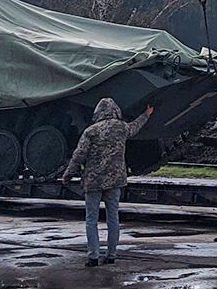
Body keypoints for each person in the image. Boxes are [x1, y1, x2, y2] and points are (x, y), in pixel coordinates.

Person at [63, 98, 154, 265]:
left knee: (92, 219)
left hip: (94, 181)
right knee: (113, 218)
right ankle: (112, 255)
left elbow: (79, 155)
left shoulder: (91, 131)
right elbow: (136, 127)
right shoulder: (121, 128)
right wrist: (146, 114)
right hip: (115, 181)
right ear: (115, 111)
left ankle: (93, 256)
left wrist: (68, 175)